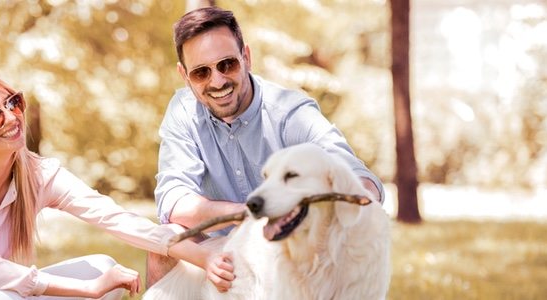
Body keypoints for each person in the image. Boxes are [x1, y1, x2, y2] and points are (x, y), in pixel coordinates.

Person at [0, 68, 235, 300]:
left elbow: (114, 218)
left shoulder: (38, 174)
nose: (11, 118)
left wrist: (197, 252)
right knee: (6, 296)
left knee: (102, 265)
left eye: (13, 103)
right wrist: (87, 290)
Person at [146, 6, 385, 286]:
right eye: (201, 73)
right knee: (166, 243)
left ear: (246, 57)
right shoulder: (182, 112)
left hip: (284, 243)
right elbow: (174, 199)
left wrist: (358, 199)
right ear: (184, 75)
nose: (218, 81)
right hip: (218, 249)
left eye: (227, 64)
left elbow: (350, 171)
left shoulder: (290, 111)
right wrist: (248, 213)